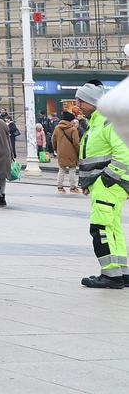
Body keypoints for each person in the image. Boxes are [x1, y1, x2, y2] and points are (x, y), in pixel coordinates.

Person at [75, 81, 127, 289]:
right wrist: (88, 181)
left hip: (108, 185)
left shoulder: (106, 123)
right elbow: (92, 158)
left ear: (93, 102)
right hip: (105, 185)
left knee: (101, 229)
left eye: (81, 101)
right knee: (112, 228)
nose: (77, 104)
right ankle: (122, 273)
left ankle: (111, 276)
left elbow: (124, 155)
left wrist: (106, 179)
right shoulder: (97, 122)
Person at [53, 110, 82, 194]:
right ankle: (73, 188)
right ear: (70, 120)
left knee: (61, 169)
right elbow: (76, 143)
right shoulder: (73, 129)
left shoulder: (57, 128)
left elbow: (53, 140)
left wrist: (56, 149)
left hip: (61, 152)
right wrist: (79, 152)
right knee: (72, 170)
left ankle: (60, 187)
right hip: (71, 153)